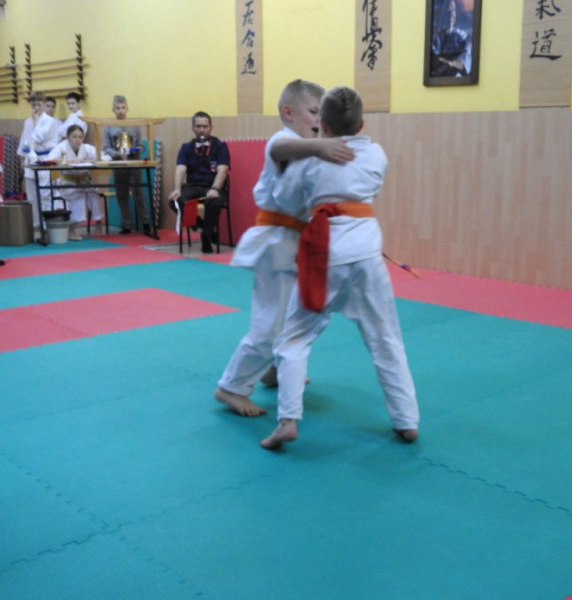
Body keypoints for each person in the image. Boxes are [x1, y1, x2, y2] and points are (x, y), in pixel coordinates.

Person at [260, 86, 420, 449]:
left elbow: (284, 199)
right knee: (386, 338)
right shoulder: (376, 154)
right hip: (365, 250)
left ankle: (288, 419)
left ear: (323, 125)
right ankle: (407, 420)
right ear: (361, 125)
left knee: (294, 338)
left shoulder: (309, 159)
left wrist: (304, 155)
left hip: (325, 253)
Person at [214, 79, 355, 417]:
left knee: (297, 317)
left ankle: (274, 369)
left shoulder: (306, 151)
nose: (319, 120)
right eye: (313, 111)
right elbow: (280, 150)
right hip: (275, 244)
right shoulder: (283, 140)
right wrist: (321, 147)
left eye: (322, 114)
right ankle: (231, 387)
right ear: (289, 113)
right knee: (268, 325)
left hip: (295, 245)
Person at [167, 112, 230, 253]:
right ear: (193, 128)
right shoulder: (186, 147)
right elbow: (180, 169)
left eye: (205, 126)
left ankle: (206, 236)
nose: (202, 130)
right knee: (175, 202)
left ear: (211, 128)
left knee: (214, 202)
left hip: (213, 186)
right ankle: (203, 226)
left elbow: (223, 170)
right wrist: (177, 189)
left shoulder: (220, 146)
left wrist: (215, 189)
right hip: (192, 186)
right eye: (198, 126)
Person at [102, 95, 152, 235]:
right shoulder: (107, 126)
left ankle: (146, 223)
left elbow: (141, 145)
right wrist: (117, 153)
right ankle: (126, 224)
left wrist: (135, 150)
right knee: (121, 194)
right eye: (118, 108)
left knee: (138, 193)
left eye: (123, 108)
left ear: (127, 108)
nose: (120, 111)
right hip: (118, 163)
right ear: (113, 109)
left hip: (133, 162)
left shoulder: (134, 125)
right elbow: (106, 147)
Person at [46, 124, 106, 241]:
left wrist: (89, 160)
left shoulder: (87, 148)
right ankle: (72, 229)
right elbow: (49, 159)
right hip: (67, 182)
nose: (77, 140)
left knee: (94, 194)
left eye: (80, 137)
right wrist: (67, 160)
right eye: (74, 137)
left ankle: (98, 222)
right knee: (79, 195)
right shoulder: (62, 147)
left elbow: (104, 157)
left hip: (85, 180)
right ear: (68, 137)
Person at [17, 90, 60, 228]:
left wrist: (36, 122)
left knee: (45, 193)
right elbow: (24, 141)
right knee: (32, 195)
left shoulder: (50, 121)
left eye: (39, 104)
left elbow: (37, 137)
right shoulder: (28, 122)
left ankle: (47, 224)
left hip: (46, 158)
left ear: (44, 104)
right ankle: (36, 222)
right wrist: (22, 158)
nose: (36, 107)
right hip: (30, 158)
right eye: (33, 105)